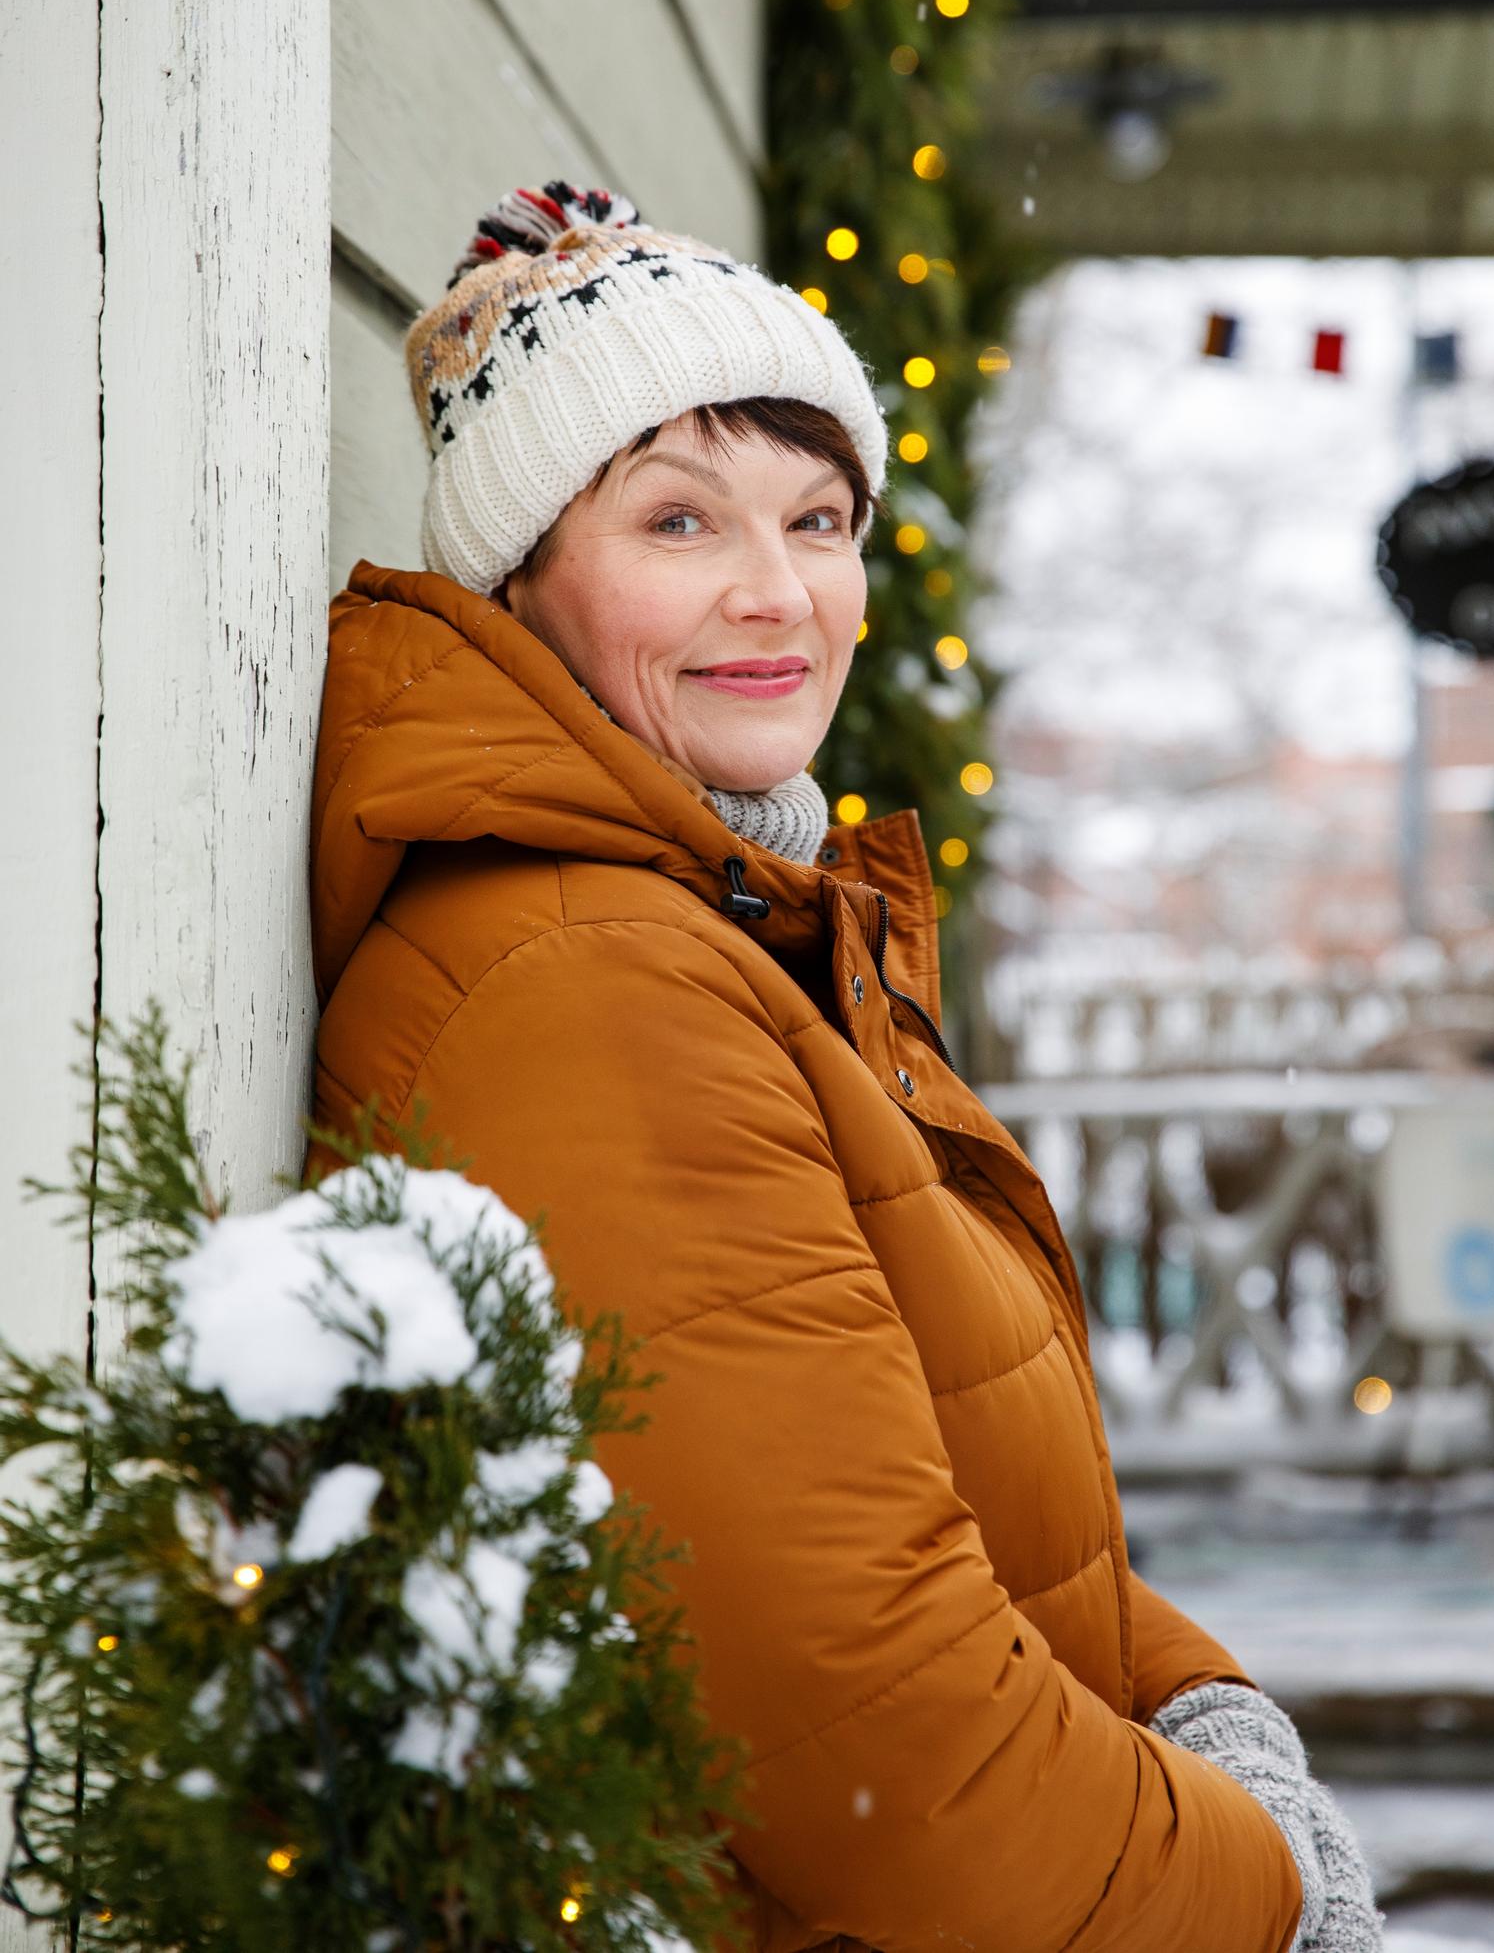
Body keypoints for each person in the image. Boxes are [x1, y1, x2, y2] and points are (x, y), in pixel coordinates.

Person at [308, 181, 1381, 1953]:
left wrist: (1207, 1715)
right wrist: (1258, 1895)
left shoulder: (737, 919)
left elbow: (995, 1528)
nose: (775, 592)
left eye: (820, 517)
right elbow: (879, 1735)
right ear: (519, 575)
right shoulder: (595, 983)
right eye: (677, 518)